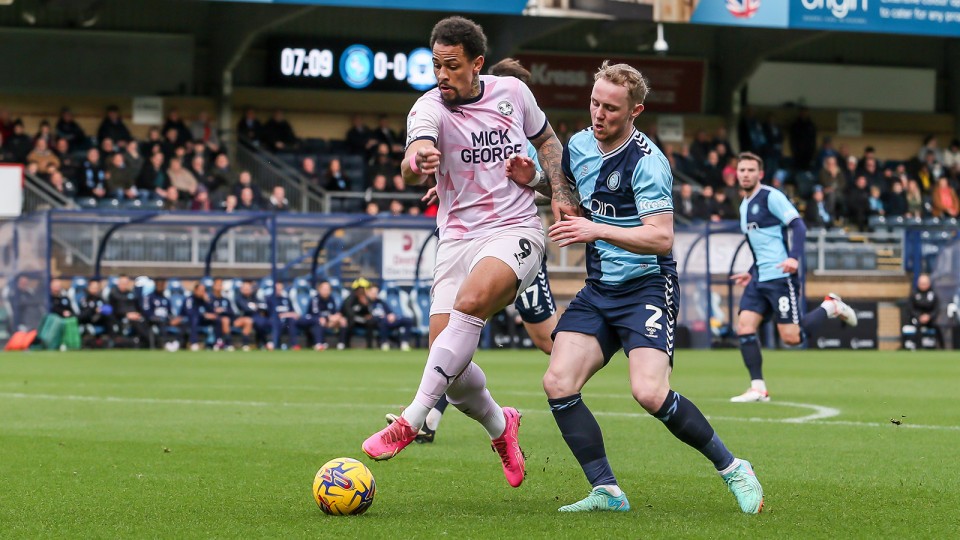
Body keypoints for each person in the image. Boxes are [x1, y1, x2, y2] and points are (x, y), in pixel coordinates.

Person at [502, 61, 764, 514]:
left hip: (647, 286)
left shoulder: (649, 162)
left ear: (635, 111)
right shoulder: (580, 145)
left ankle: (734, 467)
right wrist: (537, 182)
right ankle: (607, 490)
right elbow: (573, 195)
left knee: (649, 393)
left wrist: (596, 230)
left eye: (610, 108)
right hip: (600, 288)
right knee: (558, 382)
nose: (598, 114)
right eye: (594, 103)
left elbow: (661, 236)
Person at [361, 16, 578, 491]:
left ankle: (411, 419)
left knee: (472, 304)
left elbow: (547, 140)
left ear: (477, 64)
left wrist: (557, 189)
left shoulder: (512, 94)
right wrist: (417, 161)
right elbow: (412, 158)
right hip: (457, 238)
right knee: (450, 365)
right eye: (436, 65)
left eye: (452, 66)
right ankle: (503, 428)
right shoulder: (428, 107)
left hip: (515, 228)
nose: (442, 75)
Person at [400, 57, 562, 444]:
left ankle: (417, 416)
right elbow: (438, 162)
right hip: (466, 241)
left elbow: (556, 180)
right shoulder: (448, 116)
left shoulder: (522, 131)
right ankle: (466, 421)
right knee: (446, 343)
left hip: (513, 239)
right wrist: (441, 180)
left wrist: (538, 178)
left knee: (546, 341)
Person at [730, 152, 857, 402]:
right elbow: (760, 245)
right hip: (759, 279)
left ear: (760, 174)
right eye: (742, 170)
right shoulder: (744, 205)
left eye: (750, 170)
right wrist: (751, 272)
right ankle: (758, 388)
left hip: (780, 277)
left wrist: (794, 258)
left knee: (792, 338)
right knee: (744, 326)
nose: (745, 174)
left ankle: (830, 306)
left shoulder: (771, 196)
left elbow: (798, 225)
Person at [367, 284, 414, 351]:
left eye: (376, 293)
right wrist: (379, 317)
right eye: (373, 293)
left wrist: (391, 315)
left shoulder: (381, 302)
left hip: (388, 320)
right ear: (368, 292)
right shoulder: (366, 303)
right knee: (382, 321)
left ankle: (404, 343)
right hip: (377, 322)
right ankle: (384, 343)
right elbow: (368, 315)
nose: (375, 294)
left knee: (408, 320)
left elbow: (389, 311)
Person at [903, 273, 943, 349]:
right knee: (917, 326)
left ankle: (941, 347)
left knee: (937, 327)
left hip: (930, 319)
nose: (923, 285)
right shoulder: (914, 294)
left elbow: (936, 309)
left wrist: (929, 316)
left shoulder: (933, 294)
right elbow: (910, 308)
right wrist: (919, 316)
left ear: (929, 283)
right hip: (917, 319)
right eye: (921, 283)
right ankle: (918, 347)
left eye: (924, 283)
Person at [142, 278, 184, 350]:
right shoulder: (149, 297)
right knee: (162, 321)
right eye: (159, 284)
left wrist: (173, 319)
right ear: (155, 284)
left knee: (182, 322)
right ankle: (164, 343)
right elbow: (147, 312)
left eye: (162, 284)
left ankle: (179, 343)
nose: (161, 286)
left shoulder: (165, 299)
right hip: (153, 320)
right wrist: (157, 317)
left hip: (166, 320)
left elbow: (169, 313)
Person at [339, 278, 377, 349]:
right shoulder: (349, 299)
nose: (362, 291)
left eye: (363, 289)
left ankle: (370, 346)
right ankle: (346, 345)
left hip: (362, 321)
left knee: (370, 322)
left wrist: (365, 305)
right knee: (350, 322)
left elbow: (369, 313)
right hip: (351, 320)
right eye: (360, 289)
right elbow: (348, 313)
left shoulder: (366, 299)